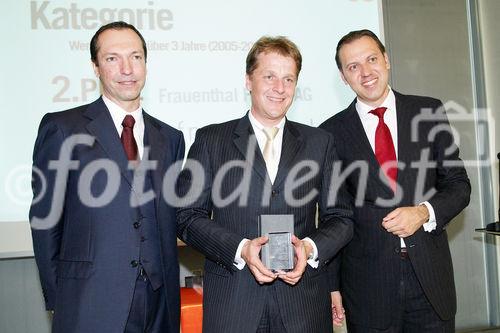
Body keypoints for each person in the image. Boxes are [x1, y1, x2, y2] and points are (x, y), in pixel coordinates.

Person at [176, 36, 353, 333]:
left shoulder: (319, 143)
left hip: (303, 307)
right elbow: (185, 216)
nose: (279, 88)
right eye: (269, 76)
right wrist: (241, 249)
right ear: (248, 80)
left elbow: (342, 219)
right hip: (235, 305)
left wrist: (309, 249)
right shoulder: (211, 140)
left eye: (288, 79)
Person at [29, 21, 185, 333]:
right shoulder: (62, 128)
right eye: (113, 58)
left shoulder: (171, 137)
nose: (127, 69)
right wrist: (62, 299)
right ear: (96, 67)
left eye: (136, 57)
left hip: (159, 304)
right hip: (90, 303)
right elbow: (45, 221)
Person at [319, 29, 471, 332]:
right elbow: (334, 216)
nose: (365, 72)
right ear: (343, 76)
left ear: (386, 60)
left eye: (372, 59)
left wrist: (423, 212)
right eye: (353, 67)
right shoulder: (330, 133)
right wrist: (332, 285)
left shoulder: (428, 111)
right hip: (366, 289)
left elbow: (458, 184)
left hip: (430, 283)